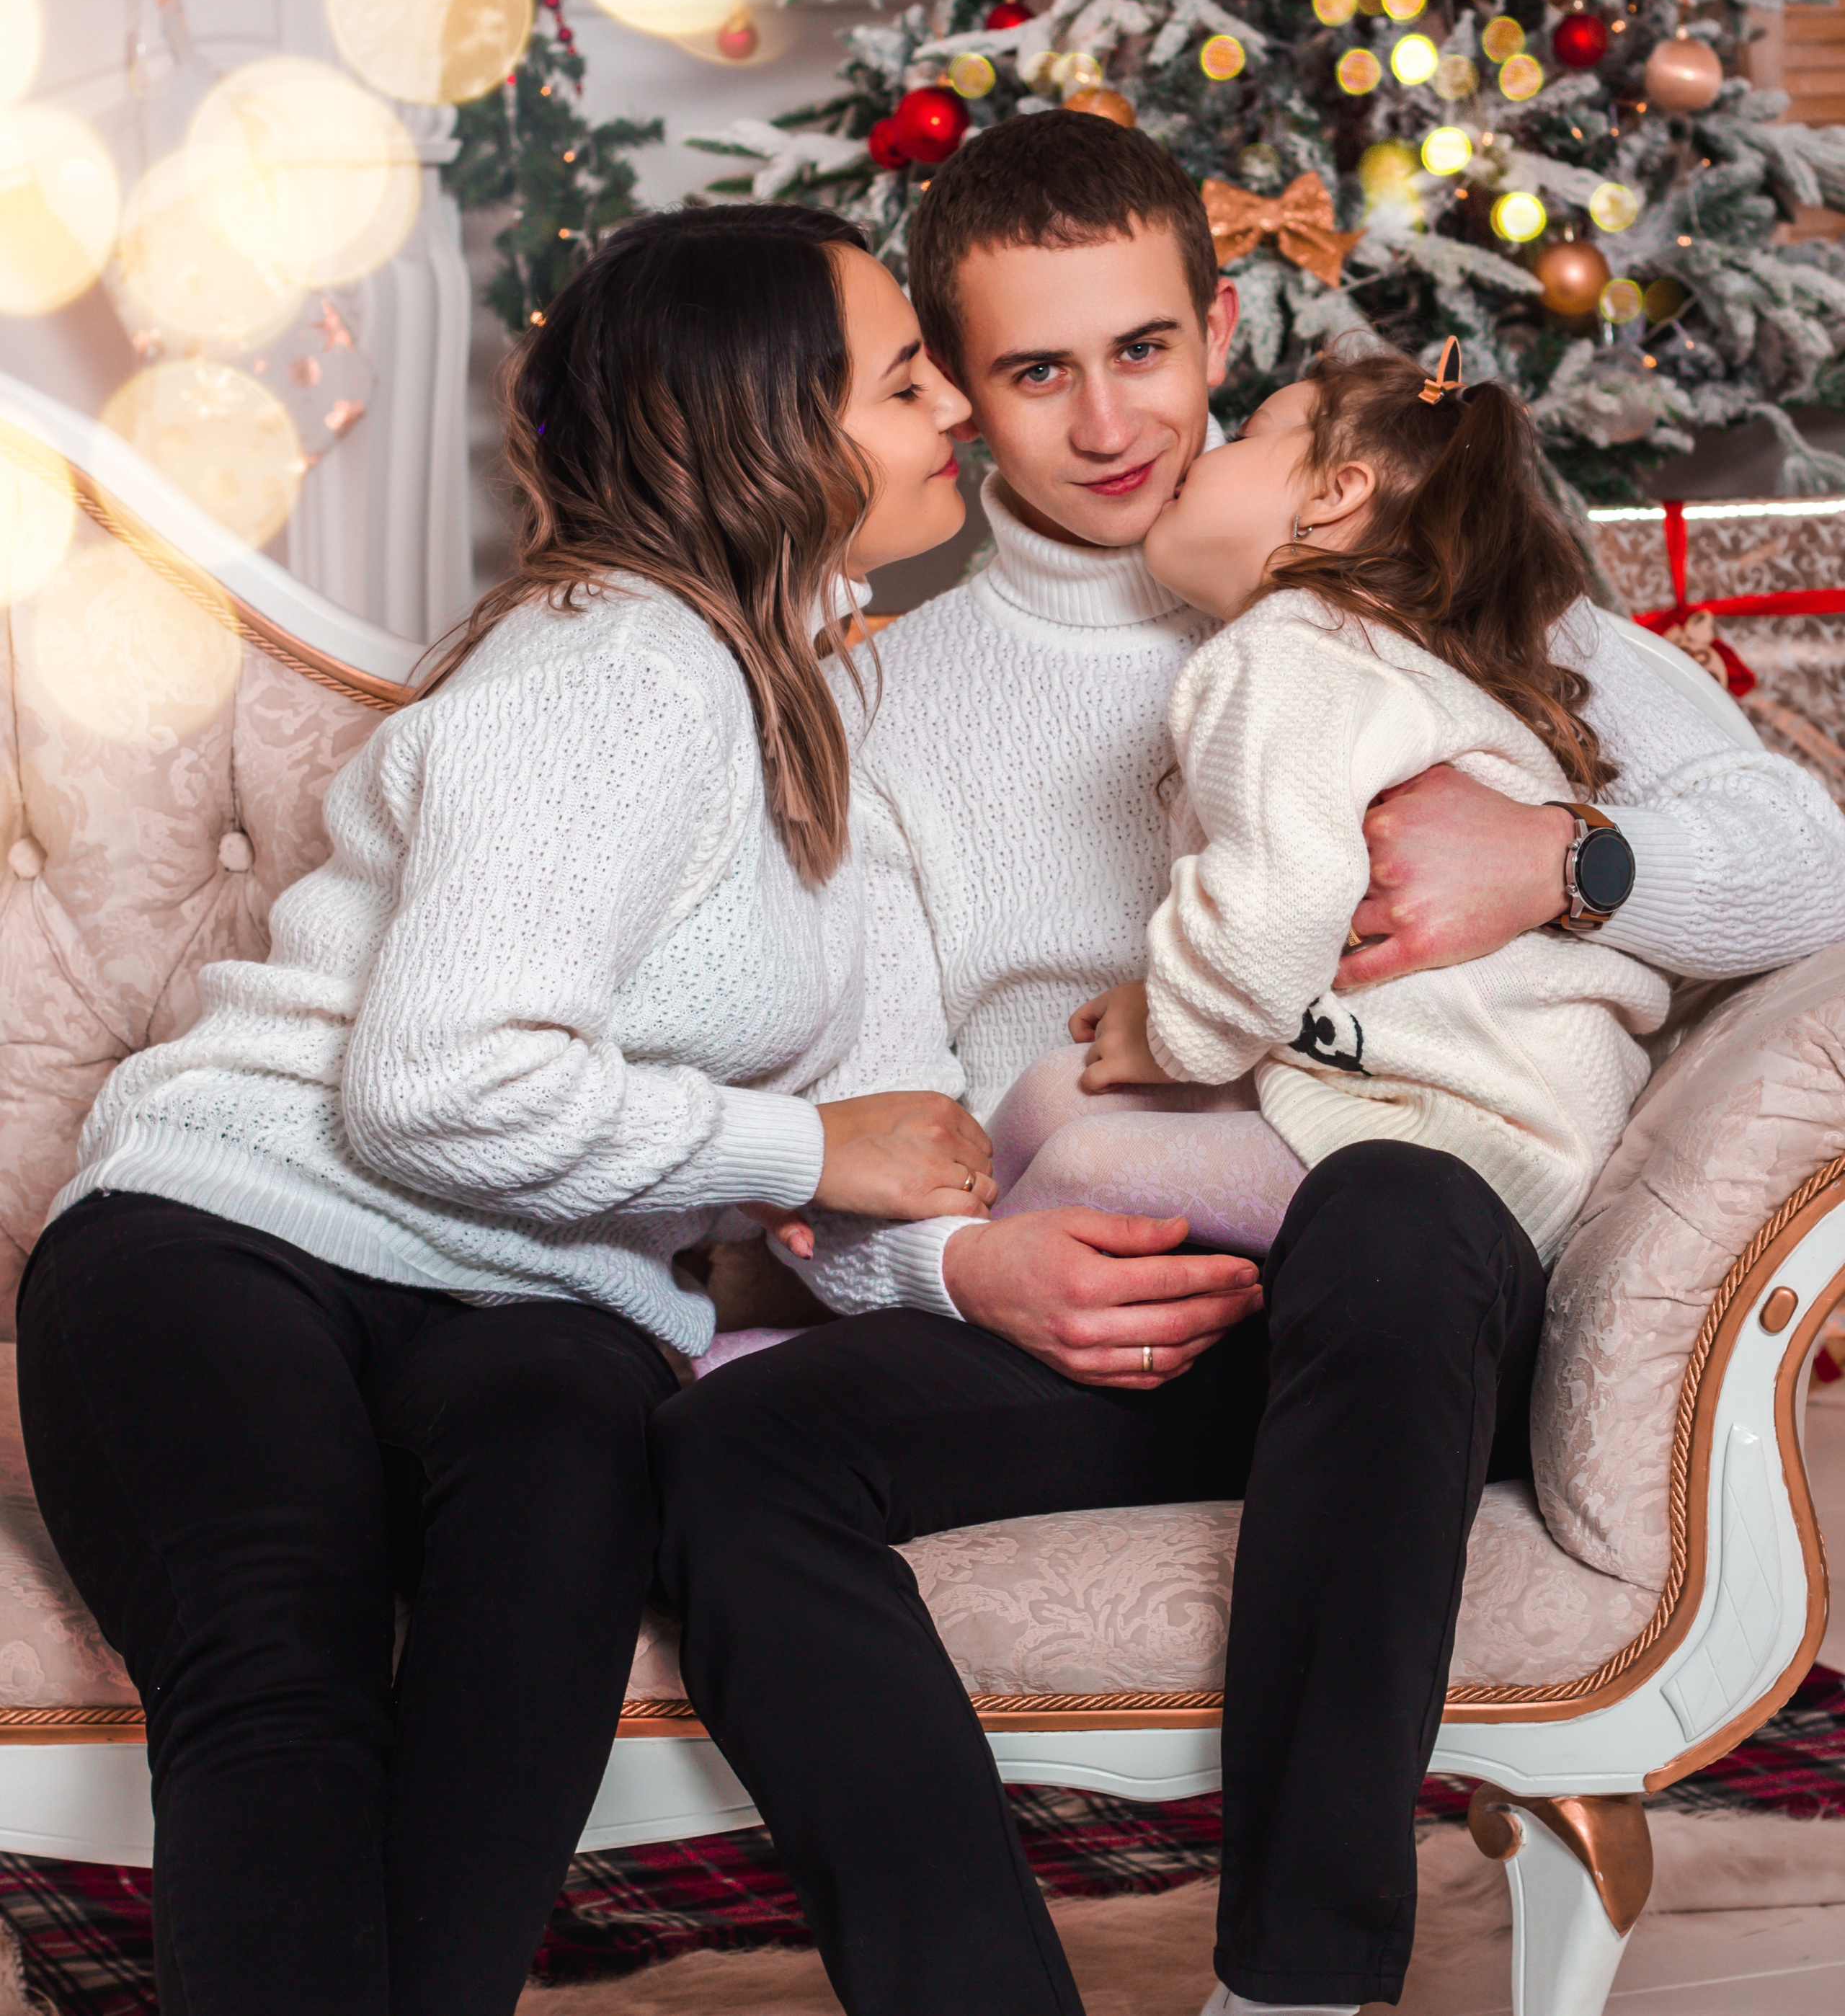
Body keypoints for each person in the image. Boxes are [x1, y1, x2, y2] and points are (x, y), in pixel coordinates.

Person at [651, 117, 1845, 2016]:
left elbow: (1813, 856)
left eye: (1143, 349)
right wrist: (970, 1271)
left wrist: (1570, 862)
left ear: (1221, 328)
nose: (1108, 420)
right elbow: (849, 1100)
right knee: (731, 1445)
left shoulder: (1429, 588)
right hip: (1118, 1306)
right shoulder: (879, 695)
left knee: (1390, 1208)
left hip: (1416, 1296)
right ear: (957, 391)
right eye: (1037, 371)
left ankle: (1295, 1981)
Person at [16, 203, 992, 2016]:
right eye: (903, 376)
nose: (957, 410)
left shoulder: (799, 702)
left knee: (550, 1529)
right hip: (230, 1234)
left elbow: (895, 1128)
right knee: (281, 1664)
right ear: (753, 431)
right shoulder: (620, 664)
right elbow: (436, 1088)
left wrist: (973, 1264)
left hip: (538, 1306)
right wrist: (799, 1150)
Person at [1030, 339, 1670, 1274]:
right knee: (1050, 1097)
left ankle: (895, 1308)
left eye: (1246, 435)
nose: (1200, 452)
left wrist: (1177, 1032)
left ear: (1335, 492)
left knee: (1080, 1159)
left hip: (1463, 1142)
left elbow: (1283, 906)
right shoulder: (1382, 655)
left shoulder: (1287, 651)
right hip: (1483, 1107)